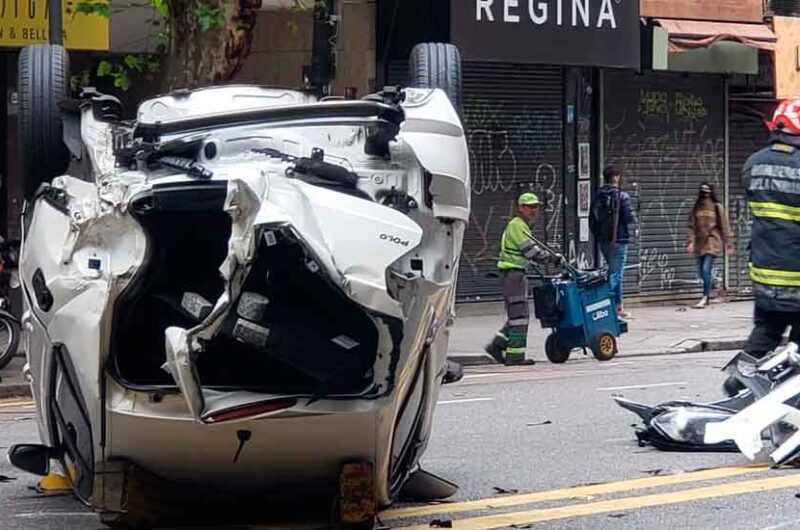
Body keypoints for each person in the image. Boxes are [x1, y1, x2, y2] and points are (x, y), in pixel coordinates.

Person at [724, 98, 800, 396]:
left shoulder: (753, 164)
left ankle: (739, 380)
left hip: (765, 269)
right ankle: (782, 398)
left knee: (767, 329)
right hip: (797, 271)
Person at [485, 193, 563, 366]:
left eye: (535, 206)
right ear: (520, 207)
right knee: (520, 316)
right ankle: (515, 356)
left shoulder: (520, 225)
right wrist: (551, 258)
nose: (533, 210)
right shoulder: (517, 226)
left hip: (515, 274)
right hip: (513, 275)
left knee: (516, 315)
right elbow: (530, 251)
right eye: (529, 206)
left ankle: (498, 345)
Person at [590, 166, 638, 319]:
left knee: (613, 272)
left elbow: (592, 218)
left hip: (603, 240)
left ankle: (618, 307)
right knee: (616, 275)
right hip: (619, 240)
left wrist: (599, 235)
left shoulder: (598, 195)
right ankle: (603, 304)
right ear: (616, 177)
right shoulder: (621, 196)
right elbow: (630, 218)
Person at [686, 183, 733, 309]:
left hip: (712, 241)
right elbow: (691, 226)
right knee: (701, 272)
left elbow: (725, 226)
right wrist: (691, 241)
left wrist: (728, 243)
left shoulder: (717, 207)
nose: (705, 193)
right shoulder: (696, 208)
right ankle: (713, 285)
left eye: (707, 191)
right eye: (703, 190)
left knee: (706, 269)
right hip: (699, 243)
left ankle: (705, 298)